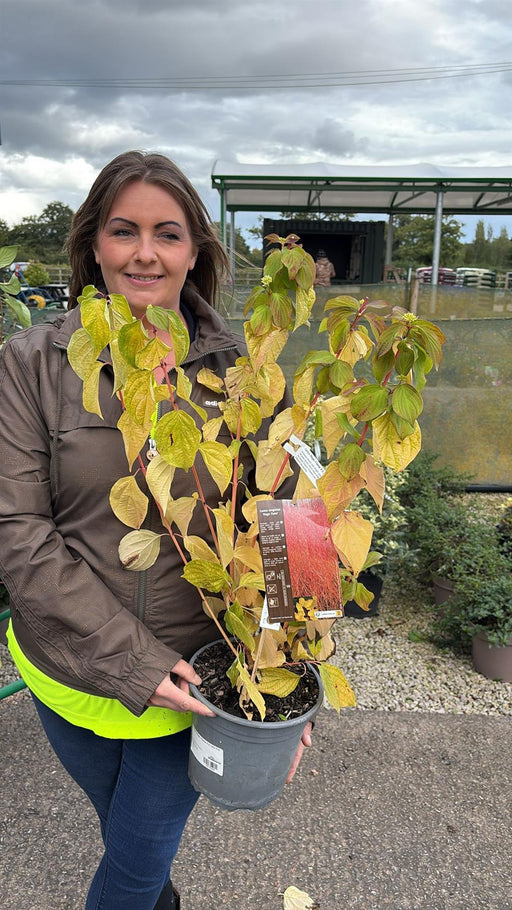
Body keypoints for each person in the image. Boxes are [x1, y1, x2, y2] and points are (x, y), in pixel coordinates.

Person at [0, 151, 312, 910]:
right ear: (94, 244)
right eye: (124, 231)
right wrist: (134, 662)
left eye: (167, 233)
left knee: (133, 871)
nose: (145, 252)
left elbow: (292, 517)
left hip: (200, 681)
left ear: (194, 251)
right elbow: (17, 529)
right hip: (68, 673)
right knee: (132, 846)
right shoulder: (34, 363)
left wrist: (293, 672)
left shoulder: (244, 372)